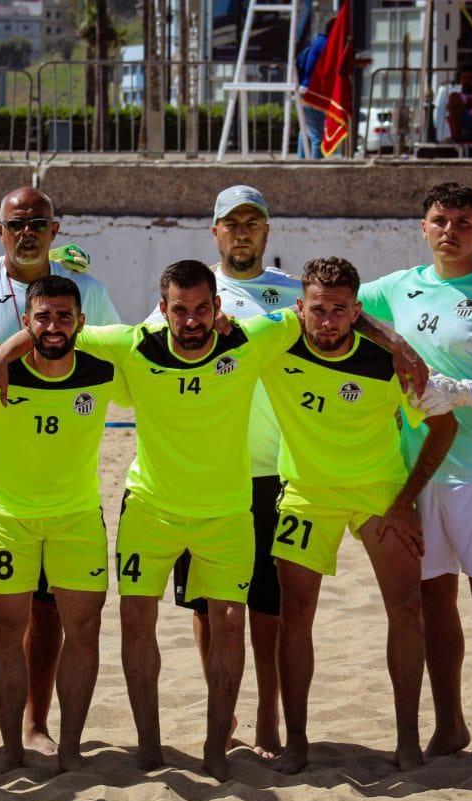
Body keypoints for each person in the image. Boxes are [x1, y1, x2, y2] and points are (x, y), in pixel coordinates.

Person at [0, 259, 424, 781]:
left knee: (230, 628)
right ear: (162, 310)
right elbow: (52, 326)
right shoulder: (132, 343)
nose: (191, 320)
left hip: (226, 512)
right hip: (150, 508)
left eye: (202, 309)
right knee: (138, 625)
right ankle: (149, 748)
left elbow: (335, 313)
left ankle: (215, 750)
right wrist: (1, 354)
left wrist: (399, 344)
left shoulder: (252, 338)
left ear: (218, 308)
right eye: (179, 310)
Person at [359, 182, 472, 760]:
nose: (450, 230)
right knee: (434, 604)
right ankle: (450, 725)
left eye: (463, 221)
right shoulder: (396, 288)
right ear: (422, 226)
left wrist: (466, 392)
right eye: (440, 219)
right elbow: (339, 308)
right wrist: (399, 345)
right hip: (414, 474)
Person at [0, 186, 118, 756]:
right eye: (16, 224)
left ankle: (37, 724)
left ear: (56, 229)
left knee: (47, 612)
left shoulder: (84, 291)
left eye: (39, 222)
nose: (27, 232)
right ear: (0, 232)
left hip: (58, 482)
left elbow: (113, 353)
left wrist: (1, 352)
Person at [268, 256, 457, 775]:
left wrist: (404, 500)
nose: (326, 320)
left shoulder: (389, 363)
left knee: (406, 610)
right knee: (296, 617)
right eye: (317, 309)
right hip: (307, 494)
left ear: (356, 311)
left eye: (338, 310)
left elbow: (445, 428)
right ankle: (298, 743)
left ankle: (407, 739)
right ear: (300, 308)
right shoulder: (277, 345)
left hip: (380, 494)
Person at [147, 185, 302, 758]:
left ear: (267, 230)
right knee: (208, 604)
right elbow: (143, 358)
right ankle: (225, 709)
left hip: (273, 470)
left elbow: (350, 320)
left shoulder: (292, 295)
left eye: (252, 222)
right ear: (214, 231)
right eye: (230, 222)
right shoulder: (191, 295)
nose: (241, 231)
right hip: (205, 473)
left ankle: (267, 714)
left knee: (268, 604)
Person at [295, 18, 331, 159]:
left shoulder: (317, 42)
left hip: (303, 90)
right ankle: (316, 170)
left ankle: (300, 163)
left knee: (305, 132)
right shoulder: (326, 45)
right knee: (317, 136)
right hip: (314, 93)